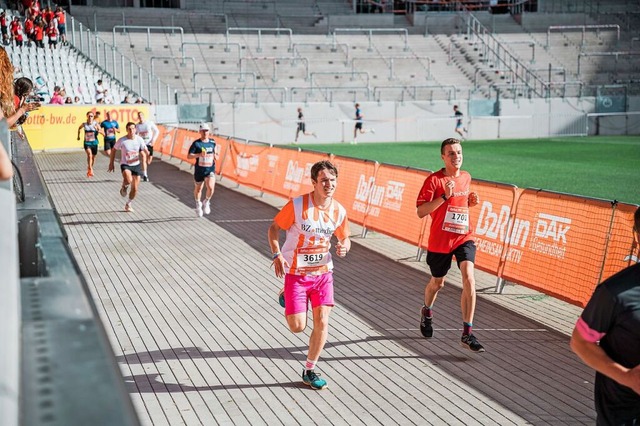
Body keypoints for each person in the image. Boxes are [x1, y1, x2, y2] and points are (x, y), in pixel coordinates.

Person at [267, 160, 351, 390]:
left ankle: (310, 370)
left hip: (323, 274)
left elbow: (345, 238)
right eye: (324, 180)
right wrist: (277, 255)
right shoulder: (297, 205)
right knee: (297, 327)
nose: (329, 184)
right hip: (296, 273)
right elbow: (273, 229)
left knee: (322, 321)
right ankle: (287, 292)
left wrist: (344, 246)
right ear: (314, 183)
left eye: (332, 180)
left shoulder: (339, 210)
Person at [570, 207, 640, 426]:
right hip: (623, 417)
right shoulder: (615, 292)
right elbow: (580, 341)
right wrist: (626, 376)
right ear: (637, 237)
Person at [416, 137, 483, 352]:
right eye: (452, 153)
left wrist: (469, 202)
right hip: (440, 241)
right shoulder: (434, 181)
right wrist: (444, 197)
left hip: (464, 237)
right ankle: (427, 311)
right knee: (437, 283)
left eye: (459, 152)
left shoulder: (466, 177)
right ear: (443, 157)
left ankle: (467, 333)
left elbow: (461, 205)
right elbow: (421, 211)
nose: (457, 157)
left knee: (469, 279)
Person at [108, 121, 148, 213]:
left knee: (135, 189)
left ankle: (128, 203)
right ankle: (124, 186)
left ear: (135, 129)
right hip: (125, 164)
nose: (131, 130)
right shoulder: (122, 140)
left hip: (136, 164)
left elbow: (143, 148)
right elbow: (113, 150)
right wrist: (111, 163)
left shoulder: (139, 139)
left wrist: (147, 152)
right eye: (129, 129)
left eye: (133, 128)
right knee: (129, 180)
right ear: (127, 130)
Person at [187, 123, 218, 217]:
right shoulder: (196, 144)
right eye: (203, 131)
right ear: (200, 132)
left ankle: (207, 201)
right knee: (198, 189)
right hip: (199, 170)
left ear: (209, 132)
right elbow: (189, 156)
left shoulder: (212, 142)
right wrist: (199, 155)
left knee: (211, 187)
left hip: (210, 169)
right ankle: (198, 204)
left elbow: (216, 154)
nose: (205, 132)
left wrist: (216, 156)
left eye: (207, 130)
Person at [135, 111, 159, 182]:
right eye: (139, 116)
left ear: (143, 116)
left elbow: (157, 131)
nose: (140, 117)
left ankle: (144, 171)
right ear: (138, 117)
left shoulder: (149, 123)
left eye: (141, 115)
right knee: (143, 157)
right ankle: (145, 175)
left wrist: (153, 140)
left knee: (148, 161)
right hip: (142, 144)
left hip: (149, 144)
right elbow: (135, 135)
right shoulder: (137, 126)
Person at [76, 111, 100, 177]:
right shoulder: (84, 124)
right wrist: (78, 136)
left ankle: (90, 168)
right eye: (89, 116)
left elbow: (100, 131)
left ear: (93, 117)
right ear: (87, 116)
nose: (90, 117)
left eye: (91, 116)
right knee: (89, 155)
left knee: (93, 157)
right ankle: (90, 169)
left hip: (94, 143)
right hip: (87, 142)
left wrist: (97, 129)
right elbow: (79, 128)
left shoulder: (95, 124)